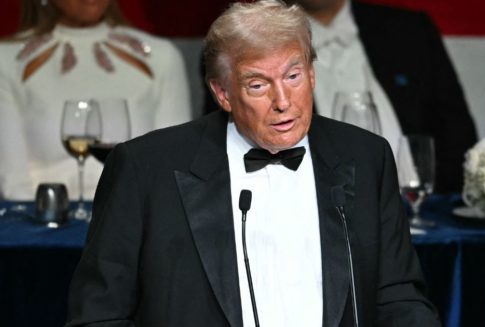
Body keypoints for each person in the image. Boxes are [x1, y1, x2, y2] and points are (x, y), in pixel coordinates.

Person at [66, 1, 440, 326]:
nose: (283, 101)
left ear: (311, 74)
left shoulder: (366, 156)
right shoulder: (145, 169)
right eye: (258, 85)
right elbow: (98, 316)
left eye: (293, 76)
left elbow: (399, 298)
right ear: (223, 93)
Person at [204, 0, 478, 193]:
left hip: (420, 223)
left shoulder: (410, 31)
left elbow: (458, 137)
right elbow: (220, 150)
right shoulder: (239, 44)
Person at [0, 0, 192, 200]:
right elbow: (14, 185)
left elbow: (173, 170)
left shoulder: (161, 57)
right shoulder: (7, 61)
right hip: (43, 223)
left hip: (137, 222)